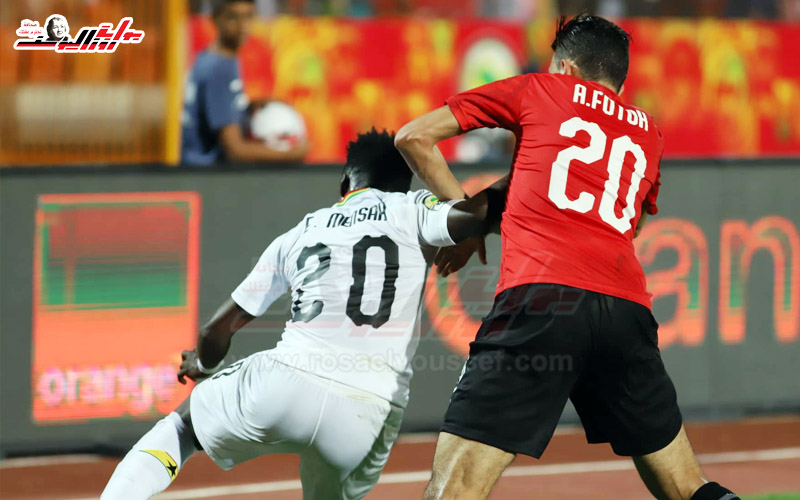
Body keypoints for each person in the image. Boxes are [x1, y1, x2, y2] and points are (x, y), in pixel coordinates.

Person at [395, 14, 742, 500]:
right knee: (688, 487)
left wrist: (466, 225)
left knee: (454, 489)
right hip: (625, 313)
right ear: (620, 81)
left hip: (540, 302)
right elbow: (629, 225)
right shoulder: (649, 133)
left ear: (566, 68)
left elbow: (412, 137)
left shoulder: (540, 88)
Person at [99, 128, 506, 500]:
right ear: (406, 183)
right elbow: (479, 214)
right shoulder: (413, 207)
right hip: (370, 409)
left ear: (345, 183)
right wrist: (523, 174)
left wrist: (202, 364)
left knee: (181, 429)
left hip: (288, 379)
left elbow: (217, 329)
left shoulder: (303, 230)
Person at [181, 0, 308, 166]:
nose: (242, 26)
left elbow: (215, 109)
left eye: (248, 16)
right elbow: (235, 150)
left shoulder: (210, 57)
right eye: (233, 17)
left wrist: (250, 106)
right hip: (206, 172)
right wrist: (292, 153)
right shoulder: (220, 68)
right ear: (216, 19)